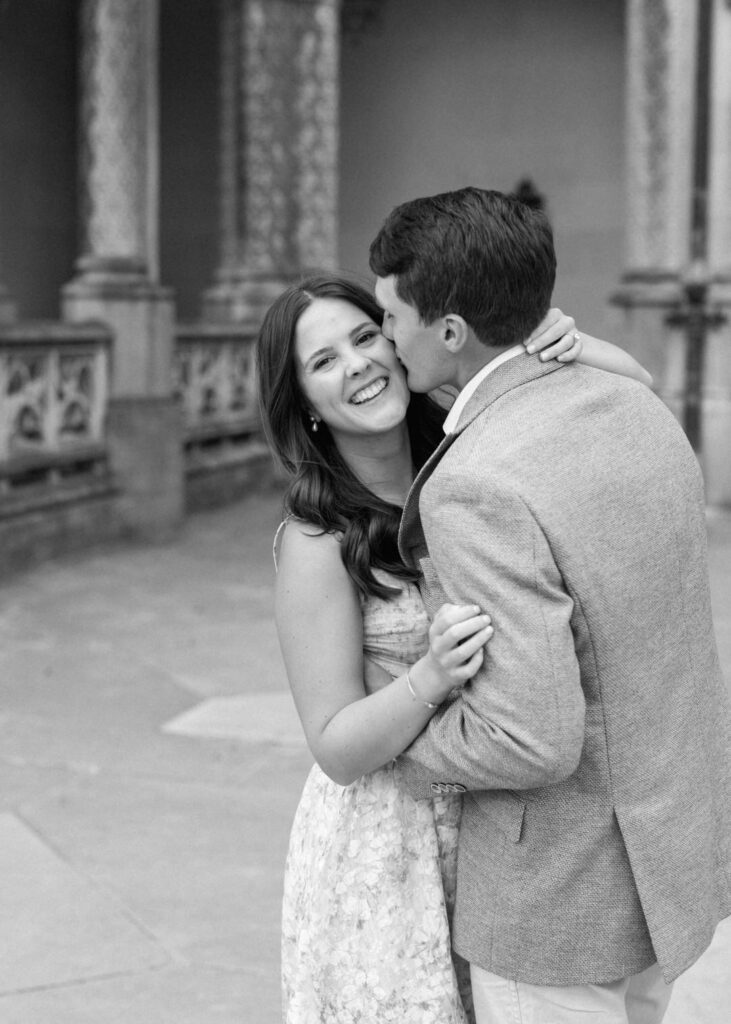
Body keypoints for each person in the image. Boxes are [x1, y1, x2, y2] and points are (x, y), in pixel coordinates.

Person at [367, 186, 731, 1024]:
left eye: (391, 318)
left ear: (450, 331)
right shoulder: (638, 406)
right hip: (667, 863)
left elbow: (529, 738)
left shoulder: (476, 483)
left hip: (557, 905)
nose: (385, 341)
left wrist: (392, 737)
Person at [256, 270, 653, 1024]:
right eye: (324, 361)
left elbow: (635, 403)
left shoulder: (476, 444)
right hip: (391, 849)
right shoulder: (317, 541)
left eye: (366, 336)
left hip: (511, 826)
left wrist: (578, 348)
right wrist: (428, 677)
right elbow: (335, 746)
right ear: (303, 406)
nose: (359, 364)